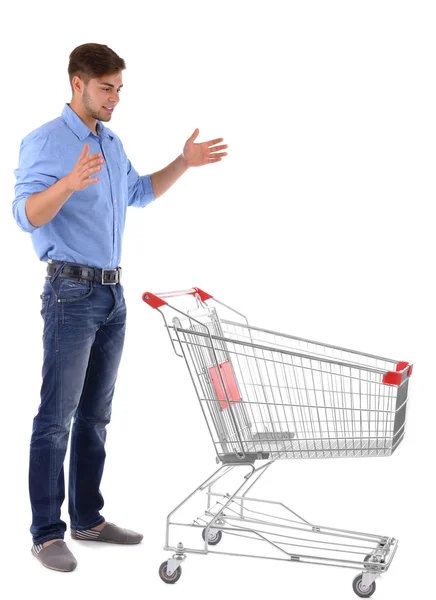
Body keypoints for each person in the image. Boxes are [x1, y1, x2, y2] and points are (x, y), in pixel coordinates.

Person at [12, 42, 228, 573]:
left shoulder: (111, 142)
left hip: (112, 295)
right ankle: (46, 533)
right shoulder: (45, 141)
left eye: (119, 89)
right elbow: (25, 216)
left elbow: (140, 193)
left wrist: (184, 161)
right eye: (106, 88)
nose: (114, 99)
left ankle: (87, 517)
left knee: (95, 416)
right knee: (55, 419)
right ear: (77, 83)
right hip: (70, 293)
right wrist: (67, 183)